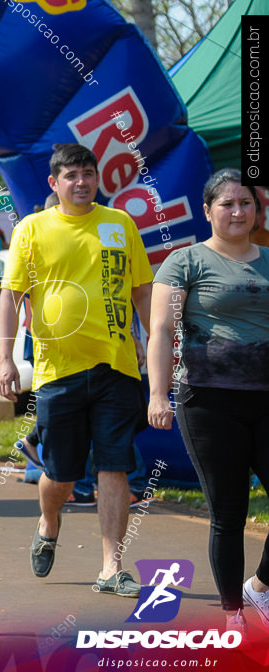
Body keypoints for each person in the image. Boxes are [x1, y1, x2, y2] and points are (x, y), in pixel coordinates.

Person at [0, 143, 153, 597]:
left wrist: (156, 347)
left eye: (88, 173)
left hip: (117, 367)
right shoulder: (32, 229)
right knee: (61, 475)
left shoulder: (120, 224)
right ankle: (48, 521)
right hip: (57, 372)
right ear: (54, 183)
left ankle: (111, 566)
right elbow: (10, 296)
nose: (81, 182)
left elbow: (142, 292)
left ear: (97, 178)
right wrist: (5, 358)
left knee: (114, 465)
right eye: (71, 175)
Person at [148, 168, 269, 632]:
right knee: (229, 510)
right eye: (227, 203)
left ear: (257, 211)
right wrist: (158, 394)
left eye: (245, 203)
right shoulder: (186, 262)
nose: (237, 211)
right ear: (207, 211)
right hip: (208, 400)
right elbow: (161, 331)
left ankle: (258, 588)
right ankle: (232, 613)